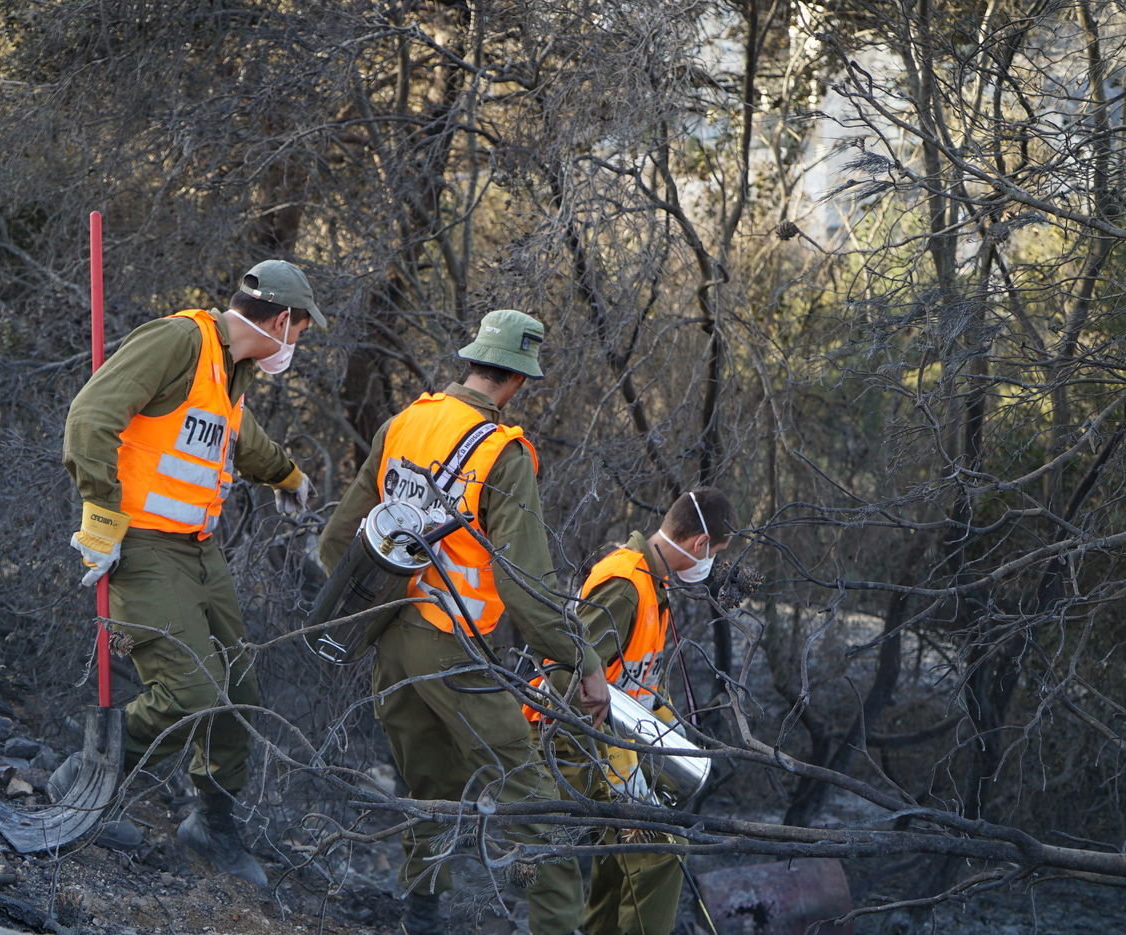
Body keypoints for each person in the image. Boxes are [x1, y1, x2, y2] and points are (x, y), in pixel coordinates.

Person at [319, 309, 608, 935]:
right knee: (532, 795)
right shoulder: (503, 454)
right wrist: (580, 659)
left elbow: (338, 541)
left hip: (390, 638)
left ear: (473, 361)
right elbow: (524, 587)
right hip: (452, 646)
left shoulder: (406, 422)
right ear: (519, 380)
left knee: (428, 786)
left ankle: (420, 914)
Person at [60, 259, 324, 884]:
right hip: (143, 548)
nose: (298, 344)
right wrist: (100, 513)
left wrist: (286, 474)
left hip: (200, 553)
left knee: (240, 694)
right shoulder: (178, 341)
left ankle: (212, 824)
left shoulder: (227, 373)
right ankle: (86, 776)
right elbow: (88, 419)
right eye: (303, 330)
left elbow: (237, 435)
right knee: (191, 695)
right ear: (283, 320)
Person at [527, 487, 736, 935]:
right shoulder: (626, 583)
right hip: (572, 741)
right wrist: (617, 761)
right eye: (715, 552)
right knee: (661, 849)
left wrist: (667, 728)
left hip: (609, 743)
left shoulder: (651, 584)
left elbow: (634, 680)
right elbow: (564, 666)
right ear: (700, 544)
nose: (710, 562)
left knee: (621, 854)